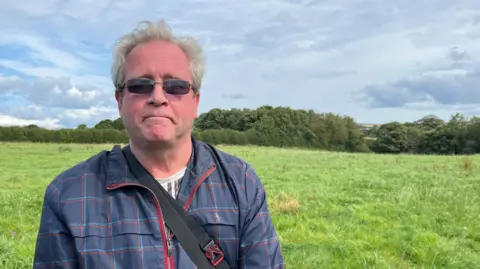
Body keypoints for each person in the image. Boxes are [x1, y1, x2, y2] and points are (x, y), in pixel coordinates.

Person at [33, 18, 285, 268]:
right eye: (141, 85)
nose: (157, 97)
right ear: (120, 100)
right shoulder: (68, 194)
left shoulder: (240, 182)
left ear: (195, 102)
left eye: (175, 86)